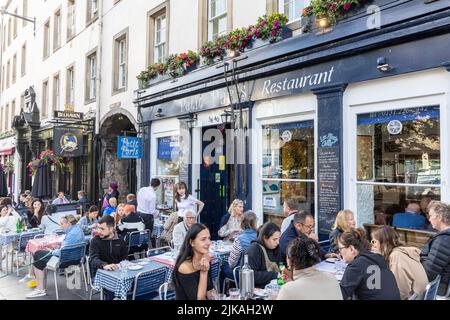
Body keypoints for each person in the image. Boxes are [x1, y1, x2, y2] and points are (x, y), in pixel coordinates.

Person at [24, 215, 85, 298]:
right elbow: (67, 247)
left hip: (64, 261)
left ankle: (40, 289)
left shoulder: (71, 234)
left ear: (69, 223)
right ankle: (36, 281)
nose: (61, 226)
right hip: (77, 260)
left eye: (62, 224)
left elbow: (61, 252)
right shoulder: (78, 230)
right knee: (39, 256)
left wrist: (52, 251)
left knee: (37, 254)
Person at [338, 228, 401, 300]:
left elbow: (339, 296)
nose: (339, 253)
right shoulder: (378, 258)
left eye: (340, 249)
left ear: (351, 249)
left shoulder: (356, 266)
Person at [371, 226, 428, 299]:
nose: (372, 245)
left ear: (384, 243)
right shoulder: (402, 251)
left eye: (374, 242)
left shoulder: (396, 256)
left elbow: (400, 291)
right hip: (419, 296)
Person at [277, 236, 343, 300]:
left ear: (289, 261)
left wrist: (290, 285)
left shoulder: (287, 290)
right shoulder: (331, 278)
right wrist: (292, 282)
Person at [172, 223, 217, 300]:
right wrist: (204, 272)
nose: (208, 243)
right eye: (203, 239)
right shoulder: (184, 267)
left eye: (209, 238)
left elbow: (210, 289)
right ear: (192, 242)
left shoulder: (205, 259)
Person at [89, 215, 129, 300]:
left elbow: (125, 258)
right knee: (113, 288)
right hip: (99, 274)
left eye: (102, 229)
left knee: (133, 285)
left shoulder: (120, 240)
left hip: (118, 273)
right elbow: (93, 259)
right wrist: (104, 265)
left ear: (111, 229)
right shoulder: (95, 241)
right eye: (98, 228)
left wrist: (124, 263)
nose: (99, 231)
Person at [420, 201, 450, 296]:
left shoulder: (443, 240)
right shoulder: (444, 237)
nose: (429, 219)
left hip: (438, 288)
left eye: (431, 216)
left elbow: (429, 273)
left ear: (439, 217)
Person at [245, 222, 281, 288]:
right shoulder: (253, 250)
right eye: (274, 239)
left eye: (279, 239)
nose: (278, 242)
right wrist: (276, 275)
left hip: (274, 287)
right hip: (256, 289)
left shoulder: (276, 247)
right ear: (265, 237)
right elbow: (252, 276)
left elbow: (281, 264)